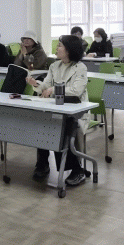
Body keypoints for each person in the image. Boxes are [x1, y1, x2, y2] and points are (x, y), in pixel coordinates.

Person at [27, 35, 88, 186]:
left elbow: (76, 91)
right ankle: (42, 164)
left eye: (60, 45)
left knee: (61, 128)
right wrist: (35, 84)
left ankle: (77, 170)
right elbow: (45, 85)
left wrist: (54, 89)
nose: (57, 48)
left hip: (76, 110)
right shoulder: (54, 66)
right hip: (56, 108)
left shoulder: (80, 67)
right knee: (43, 124)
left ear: (69, 50)